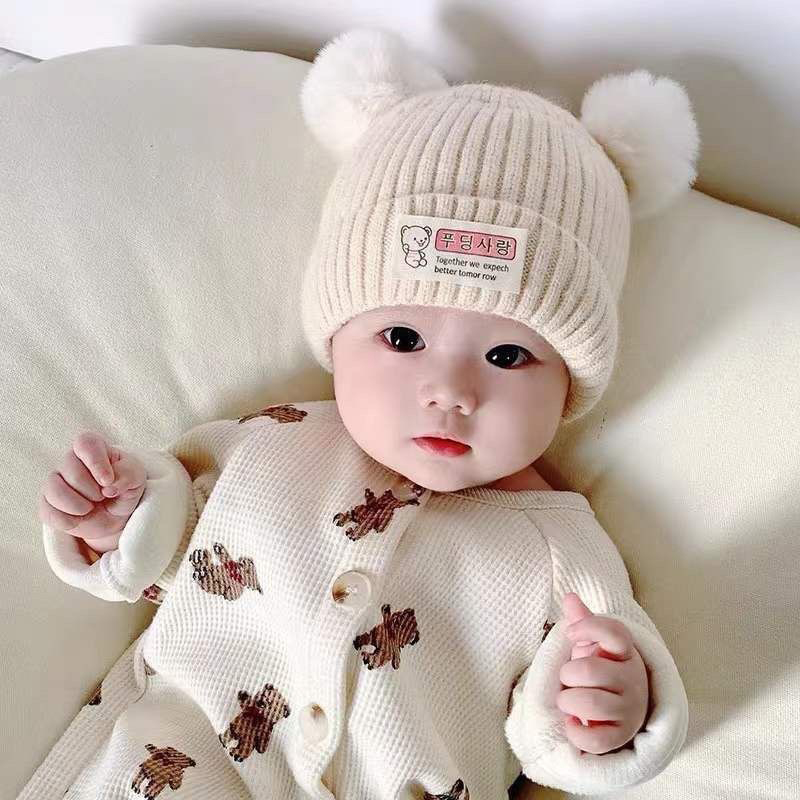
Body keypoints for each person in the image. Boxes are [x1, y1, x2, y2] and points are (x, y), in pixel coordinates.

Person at [28, 26, 698, 800]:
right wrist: (120, 517)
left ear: (570, 385)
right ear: (337, 341)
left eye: (509, 355)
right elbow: (170, 552)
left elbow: (568, 728)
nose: (450, 391)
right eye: (404, 339)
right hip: (178, 768)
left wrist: (605, 709)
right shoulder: (272, 445)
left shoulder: (560, 552)